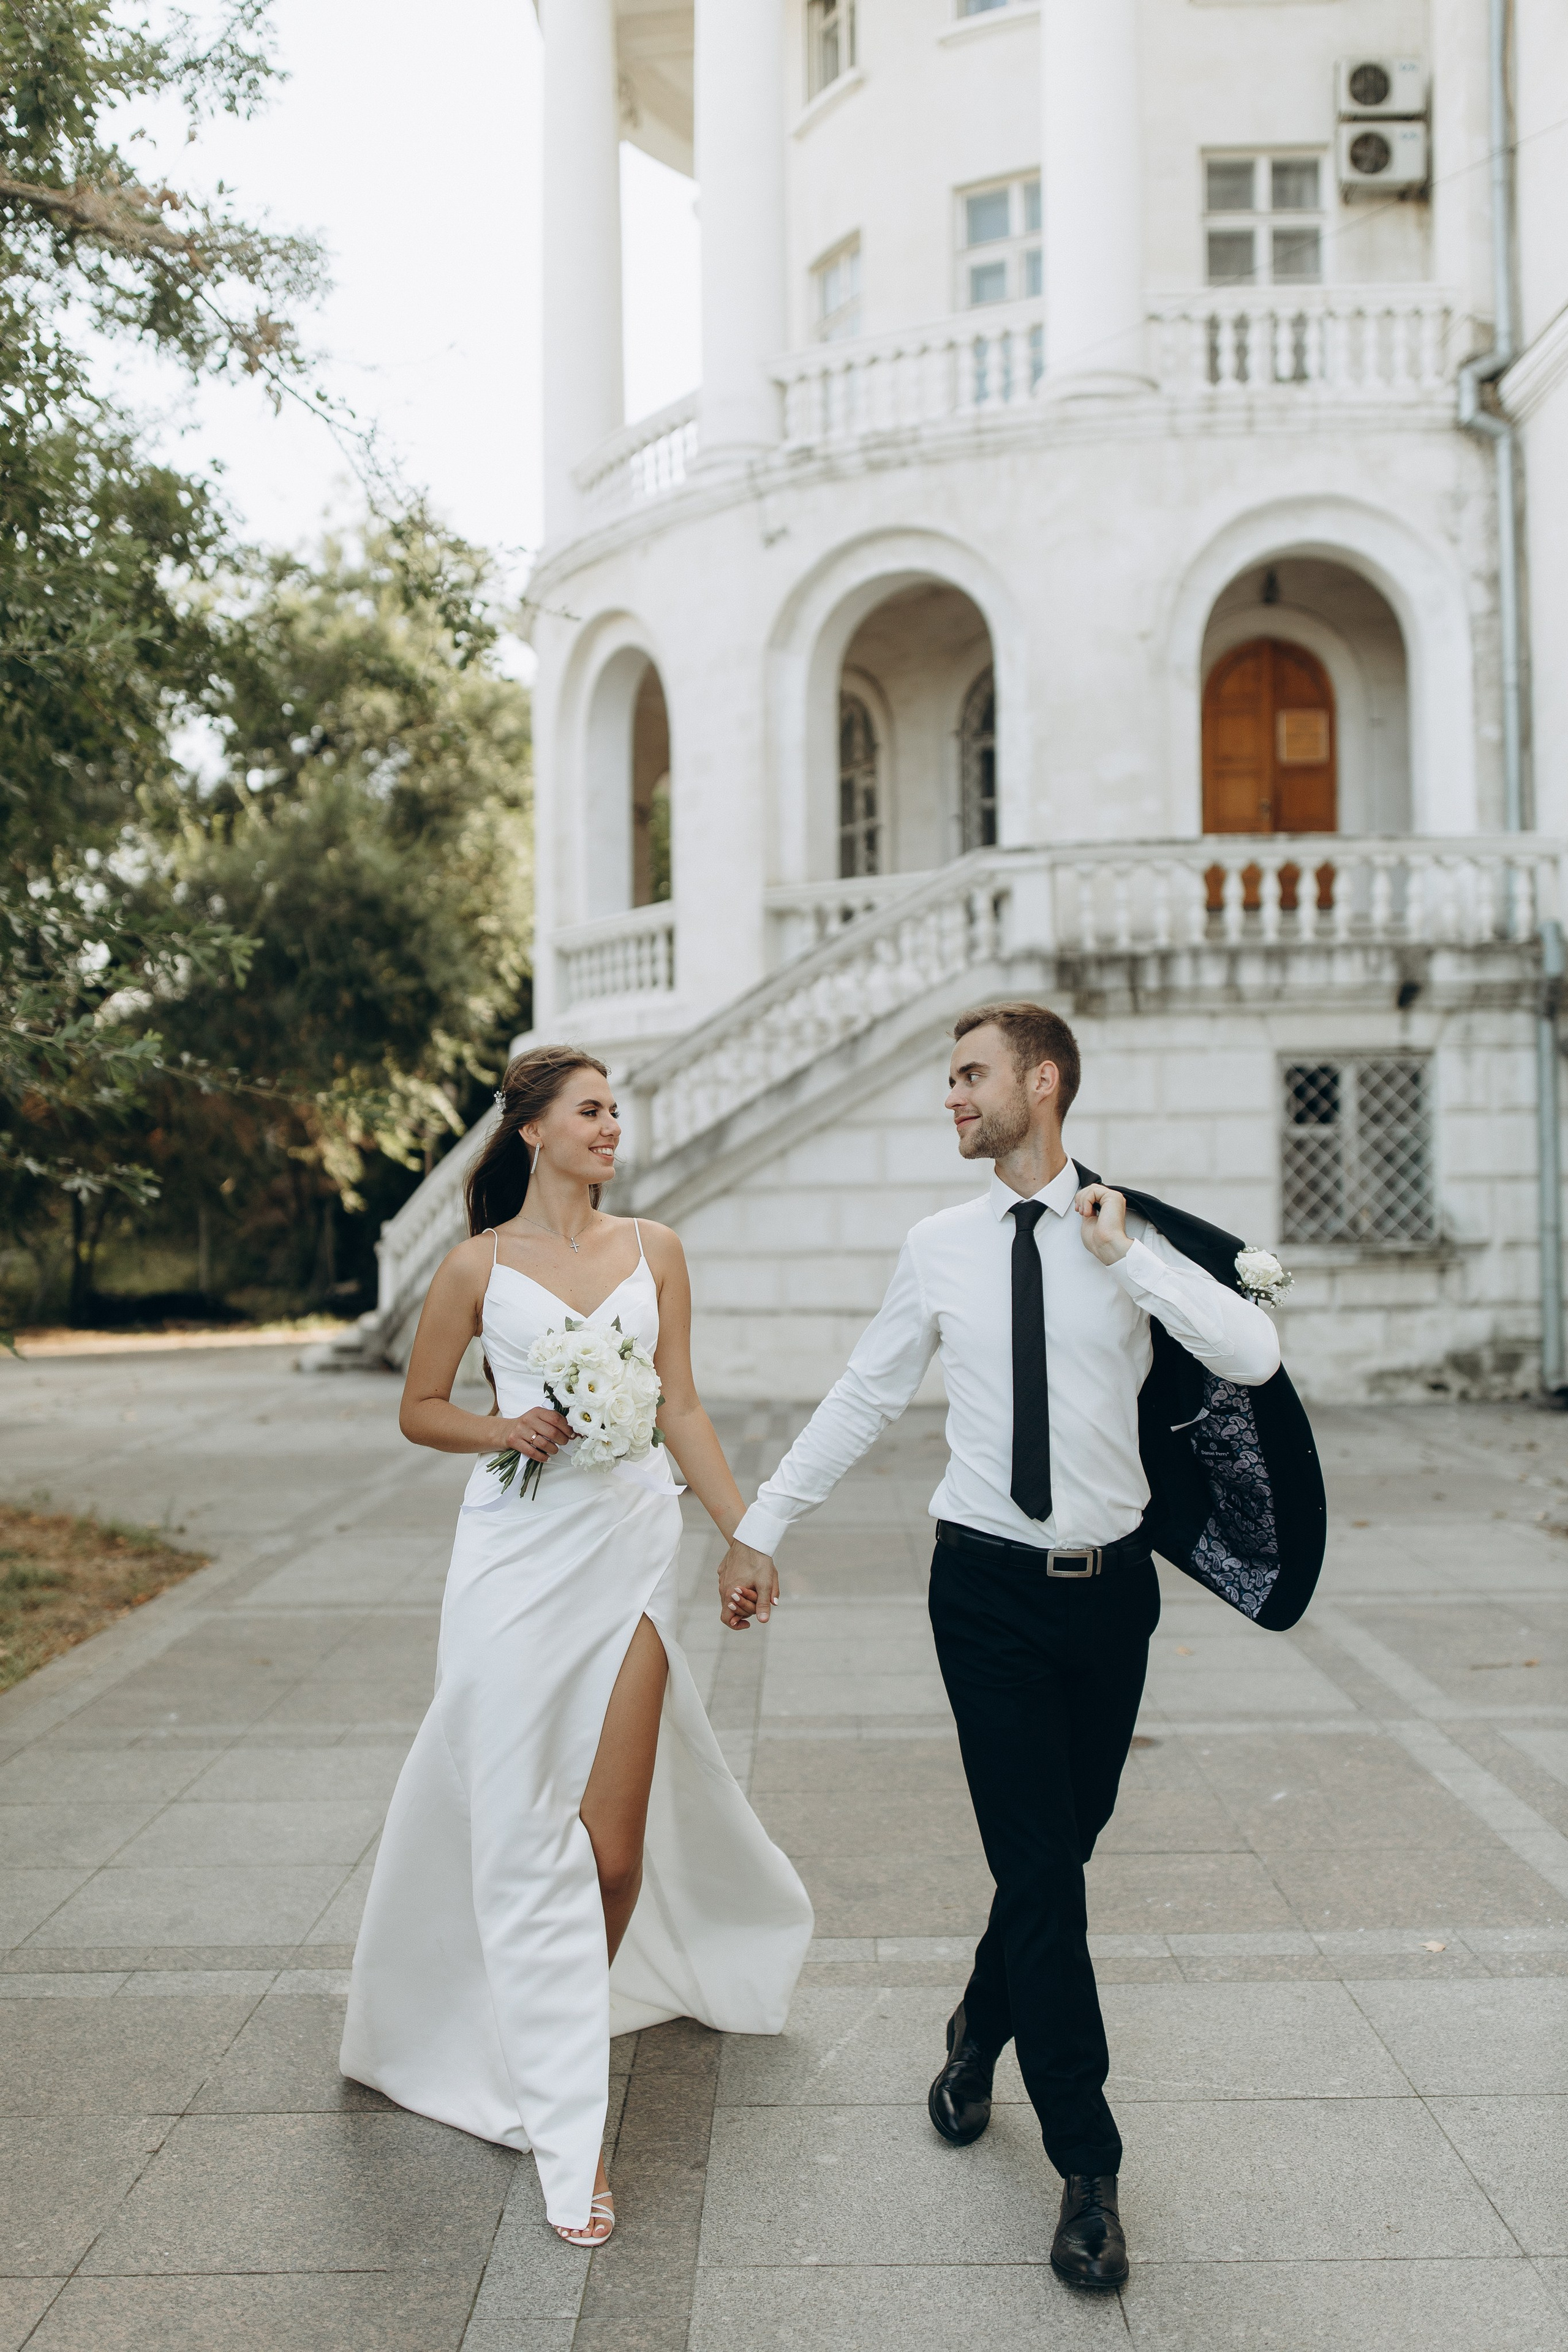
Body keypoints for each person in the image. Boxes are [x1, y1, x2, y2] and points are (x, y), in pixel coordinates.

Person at [717, 1001, 1287, 2290]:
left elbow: (1250, 1347)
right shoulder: (936, 1247)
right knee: (1041, 1866)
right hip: (980, 1593)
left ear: (1042, 1082)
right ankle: (1088, 2168)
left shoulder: (1125, 1231)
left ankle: (981, 2022)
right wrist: (758, 1526)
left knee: (1053, 1859)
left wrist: (1128, 1257)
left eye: (970, 1075)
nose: (950, 1096)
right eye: (948, 1077)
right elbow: (865, 1392)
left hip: (1110, 1597)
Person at [341, 1044, 813, 2245]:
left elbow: (684, 1405)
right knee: (516, 1834)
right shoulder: (473, 1268)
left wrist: (741, 1537)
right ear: (535, 1131)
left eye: (615, 1110)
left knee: (605, 1859)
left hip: (629, 1547)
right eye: (590, 1110)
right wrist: (507, 1423)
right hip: (511, 1562)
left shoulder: (655, 1251)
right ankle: (564, 2114)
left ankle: (544, 2029)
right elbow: (420, 1407)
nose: (612, 1126)